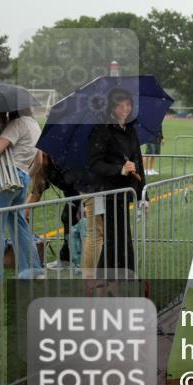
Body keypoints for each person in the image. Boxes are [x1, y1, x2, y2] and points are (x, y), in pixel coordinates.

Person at [83, 88, 145, 276]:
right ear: (113, 107)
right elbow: (95, 163)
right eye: (121, 105)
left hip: (125, 193)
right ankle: (104, 281)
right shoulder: (101, 129)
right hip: (107, 193)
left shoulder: (131, 130)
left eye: (128, 104)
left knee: (124, 238)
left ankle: (126, 277)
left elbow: (139, 162)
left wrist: (144, 195)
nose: (125, 109)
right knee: (112, 239)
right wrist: (119, 169)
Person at [0, 109, 43, 284]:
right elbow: (40, 161)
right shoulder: (34, 125)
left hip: (3, 180)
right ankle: (33, 269)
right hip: (22, 178)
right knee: (20, 227)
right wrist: (25, 175)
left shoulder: (17, 124)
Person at [28, 152, 86, 268]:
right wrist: (23, 214)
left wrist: (86, 203)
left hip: (86, 193)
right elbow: (36, 193)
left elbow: (84, 179)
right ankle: (67, 258)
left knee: (83, 225)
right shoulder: (43, 169)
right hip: (72, 197)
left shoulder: (64, 159)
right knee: (67, 218)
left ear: (44, 154)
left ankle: (82, 260)